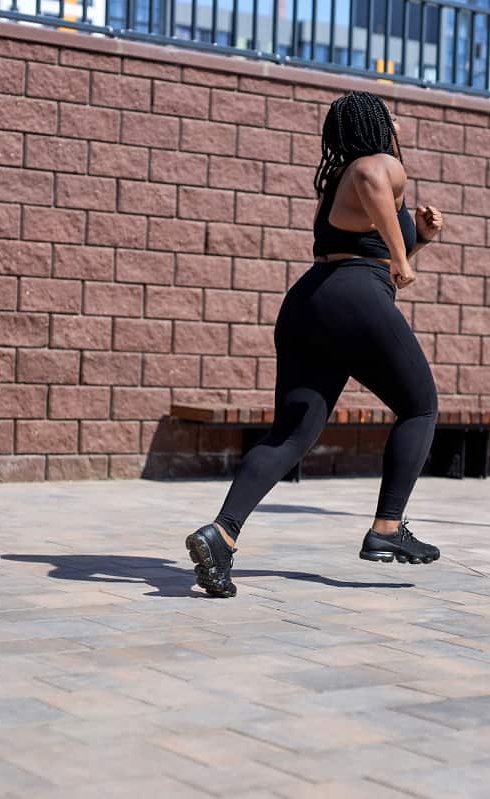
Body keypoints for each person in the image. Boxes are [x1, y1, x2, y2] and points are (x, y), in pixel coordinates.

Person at [186, 91, 445, 598]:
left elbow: (370, 251)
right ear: (377, 126)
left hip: (310, 303)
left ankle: (221, 535)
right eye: (388, 115)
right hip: (355, 298)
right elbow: (379, 217)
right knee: (420, 407)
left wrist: (420, 241)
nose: (394, 121)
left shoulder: (335, 183)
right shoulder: (378, 166)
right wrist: (403, 256)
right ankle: (387, 528)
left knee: (291, 435)